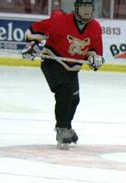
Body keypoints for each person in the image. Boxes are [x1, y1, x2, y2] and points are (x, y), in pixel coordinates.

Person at [21, 0, 104, 150]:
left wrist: (94, 59)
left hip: (72, 69)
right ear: (76, 9)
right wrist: (31, 46)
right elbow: (34, 31)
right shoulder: (60, 20)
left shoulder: (95, 28)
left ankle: (67, 126)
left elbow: (94, 51)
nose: (87, 10)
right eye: (83, 6)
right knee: (64, 91)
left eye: (89, 7)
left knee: (75, 99)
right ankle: (62, 129)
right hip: (53, 62)